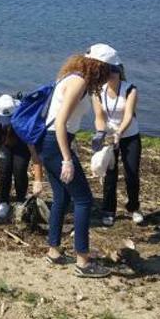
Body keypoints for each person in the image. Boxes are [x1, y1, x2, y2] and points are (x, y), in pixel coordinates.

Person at [36, 52, 111, 278]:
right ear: (100, 67)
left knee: (62, 197)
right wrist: (67, 159)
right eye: (110, 70)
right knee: (84, 199)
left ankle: (54, 251)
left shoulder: (73, 78)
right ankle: (83, 261)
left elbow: (77, 119)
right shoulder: (78, 82)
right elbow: (60, 123)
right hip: (56, 143)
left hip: (50, 143)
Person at [90, 44, 143, 226]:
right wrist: (100, 132)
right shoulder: (97, 91)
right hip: (109, 136)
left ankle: (134, 207)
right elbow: (99, 116)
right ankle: (108, 210)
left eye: (115, 70)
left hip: (129, 135)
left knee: (131, 173)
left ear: (120, 71)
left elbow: (128, 115)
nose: (112, 74)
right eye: (109, 70)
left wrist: (120, 132)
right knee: (110, 174)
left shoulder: (130, 89)